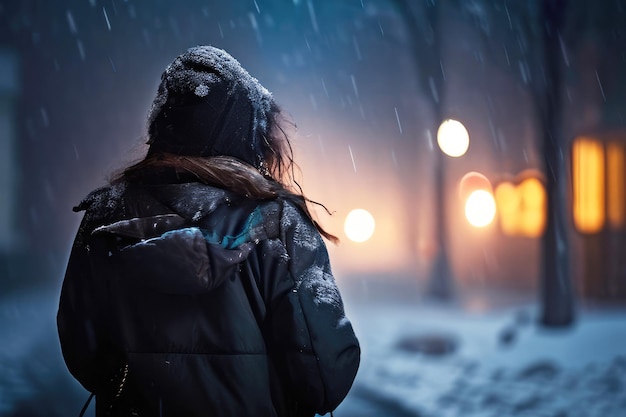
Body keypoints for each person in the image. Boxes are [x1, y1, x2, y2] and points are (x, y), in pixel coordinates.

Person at [57, 45, 360, 417]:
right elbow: (324, 376)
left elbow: (85, 354)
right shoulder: (277, 224)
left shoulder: (106, 216)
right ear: (248, 136)